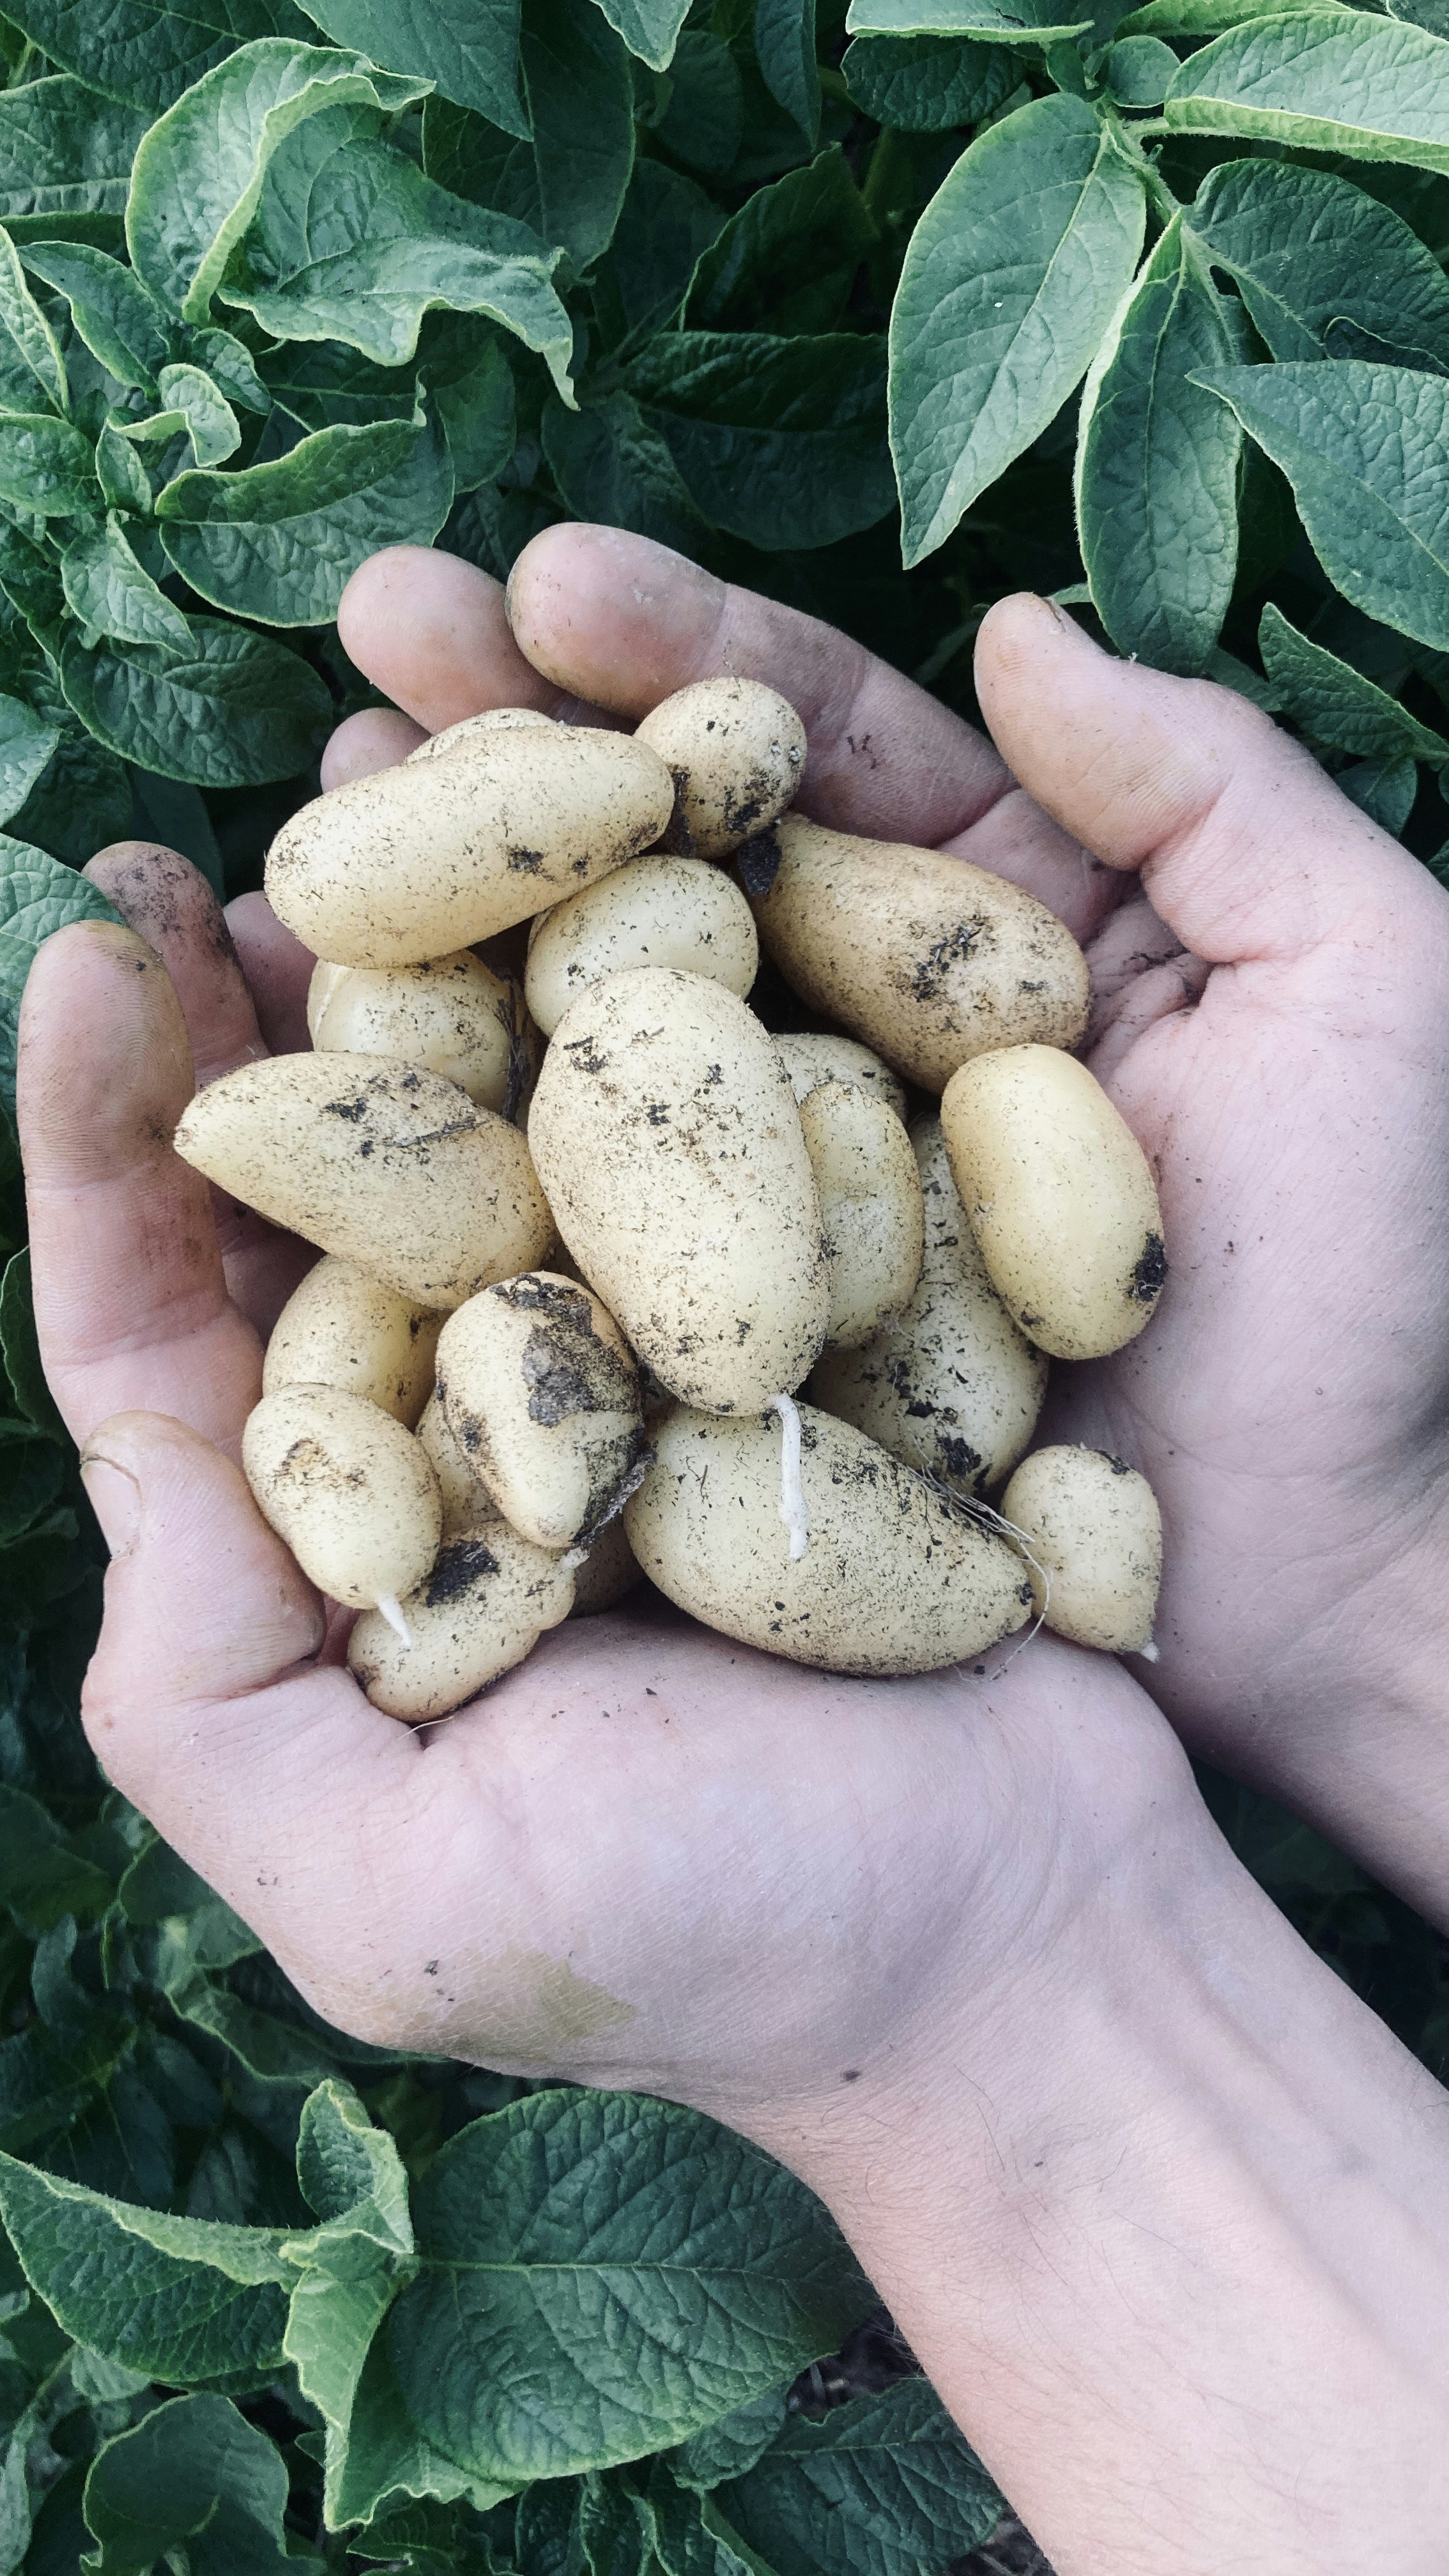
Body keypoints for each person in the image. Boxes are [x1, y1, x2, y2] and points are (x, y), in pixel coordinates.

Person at [17, 526, 1449, 2573]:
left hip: (790, 1352)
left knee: (701, 1199)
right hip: (738, 1350)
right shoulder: (595, 1134)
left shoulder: (752, 1071)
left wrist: (1364, 1557)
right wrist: (1381, 1583)